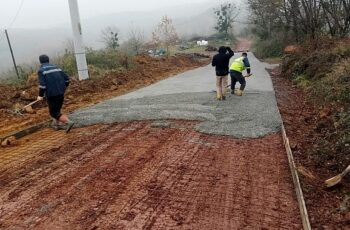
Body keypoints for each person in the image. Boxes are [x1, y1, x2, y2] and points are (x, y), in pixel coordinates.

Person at [37, 54, 74, 133]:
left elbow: (42, 85)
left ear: (40, 61)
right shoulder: (56, 68)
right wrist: (64, 87)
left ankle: (68, 122)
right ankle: (56, 125)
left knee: (53, 112)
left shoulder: (41, 70)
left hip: (52, 94)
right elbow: (67, 79)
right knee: (57, 109)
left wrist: (40, 95)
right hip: (61, 92)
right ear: (48, 60)